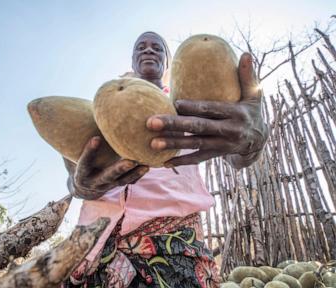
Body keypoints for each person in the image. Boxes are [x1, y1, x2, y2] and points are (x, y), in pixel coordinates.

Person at [62, 31, 269, 288]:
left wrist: (250, 145)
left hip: (173, 248)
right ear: (132, 57)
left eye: (157, 47)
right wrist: (78, 187)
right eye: (141, 46)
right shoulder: (102, 106)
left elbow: (235, 156)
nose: (148, 50)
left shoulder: (190, 103)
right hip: (89, 248)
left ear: (167, 62)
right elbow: (75, 176)